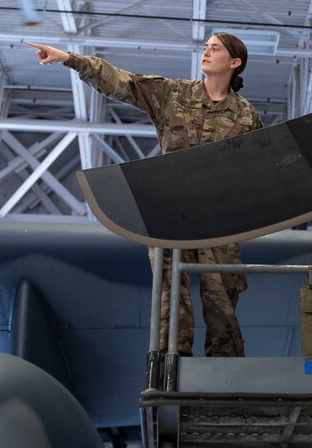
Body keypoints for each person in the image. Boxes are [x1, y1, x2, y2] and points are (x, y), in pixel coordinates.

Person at [28, 34, 262, 357]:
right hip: (169, 215)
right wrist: (69, 58)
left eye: (215, 48)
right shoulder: (173, 94)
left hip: (218, 220)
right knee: (169, 294)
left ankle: (225, 376)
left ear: (234, 63)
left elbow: (257, 176)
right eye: (205, 46)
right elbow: (122, 83)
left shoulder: (248, 118)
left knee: (222, 299)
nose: (206, 51)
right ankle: (170, 364)